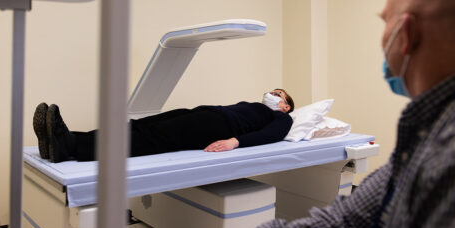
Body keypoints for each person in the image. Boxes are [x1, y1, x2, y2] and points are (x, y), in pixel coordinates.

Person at [136, 0, 455, 228]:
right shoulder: (432, 133)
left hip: (222, 128)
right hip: (212, 114)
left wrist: (234, 141)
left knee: (155, 135)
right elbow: (344, 224)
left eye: (385, 21)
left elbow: (270, 136)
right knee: (155, 125)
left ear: (404, 33)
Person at [33, 89, 295, 162]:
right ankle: (66, 139)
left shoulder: (283, 118)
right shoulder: (256, 106)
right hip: (205, 115)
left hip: (216, 127)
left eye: (278, 94)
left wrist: (234, 142)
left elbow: (270, 135)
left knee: (150, 138)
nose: (271, 94)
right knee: (137, 125)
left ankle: (70, 147)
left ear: (286, 106)